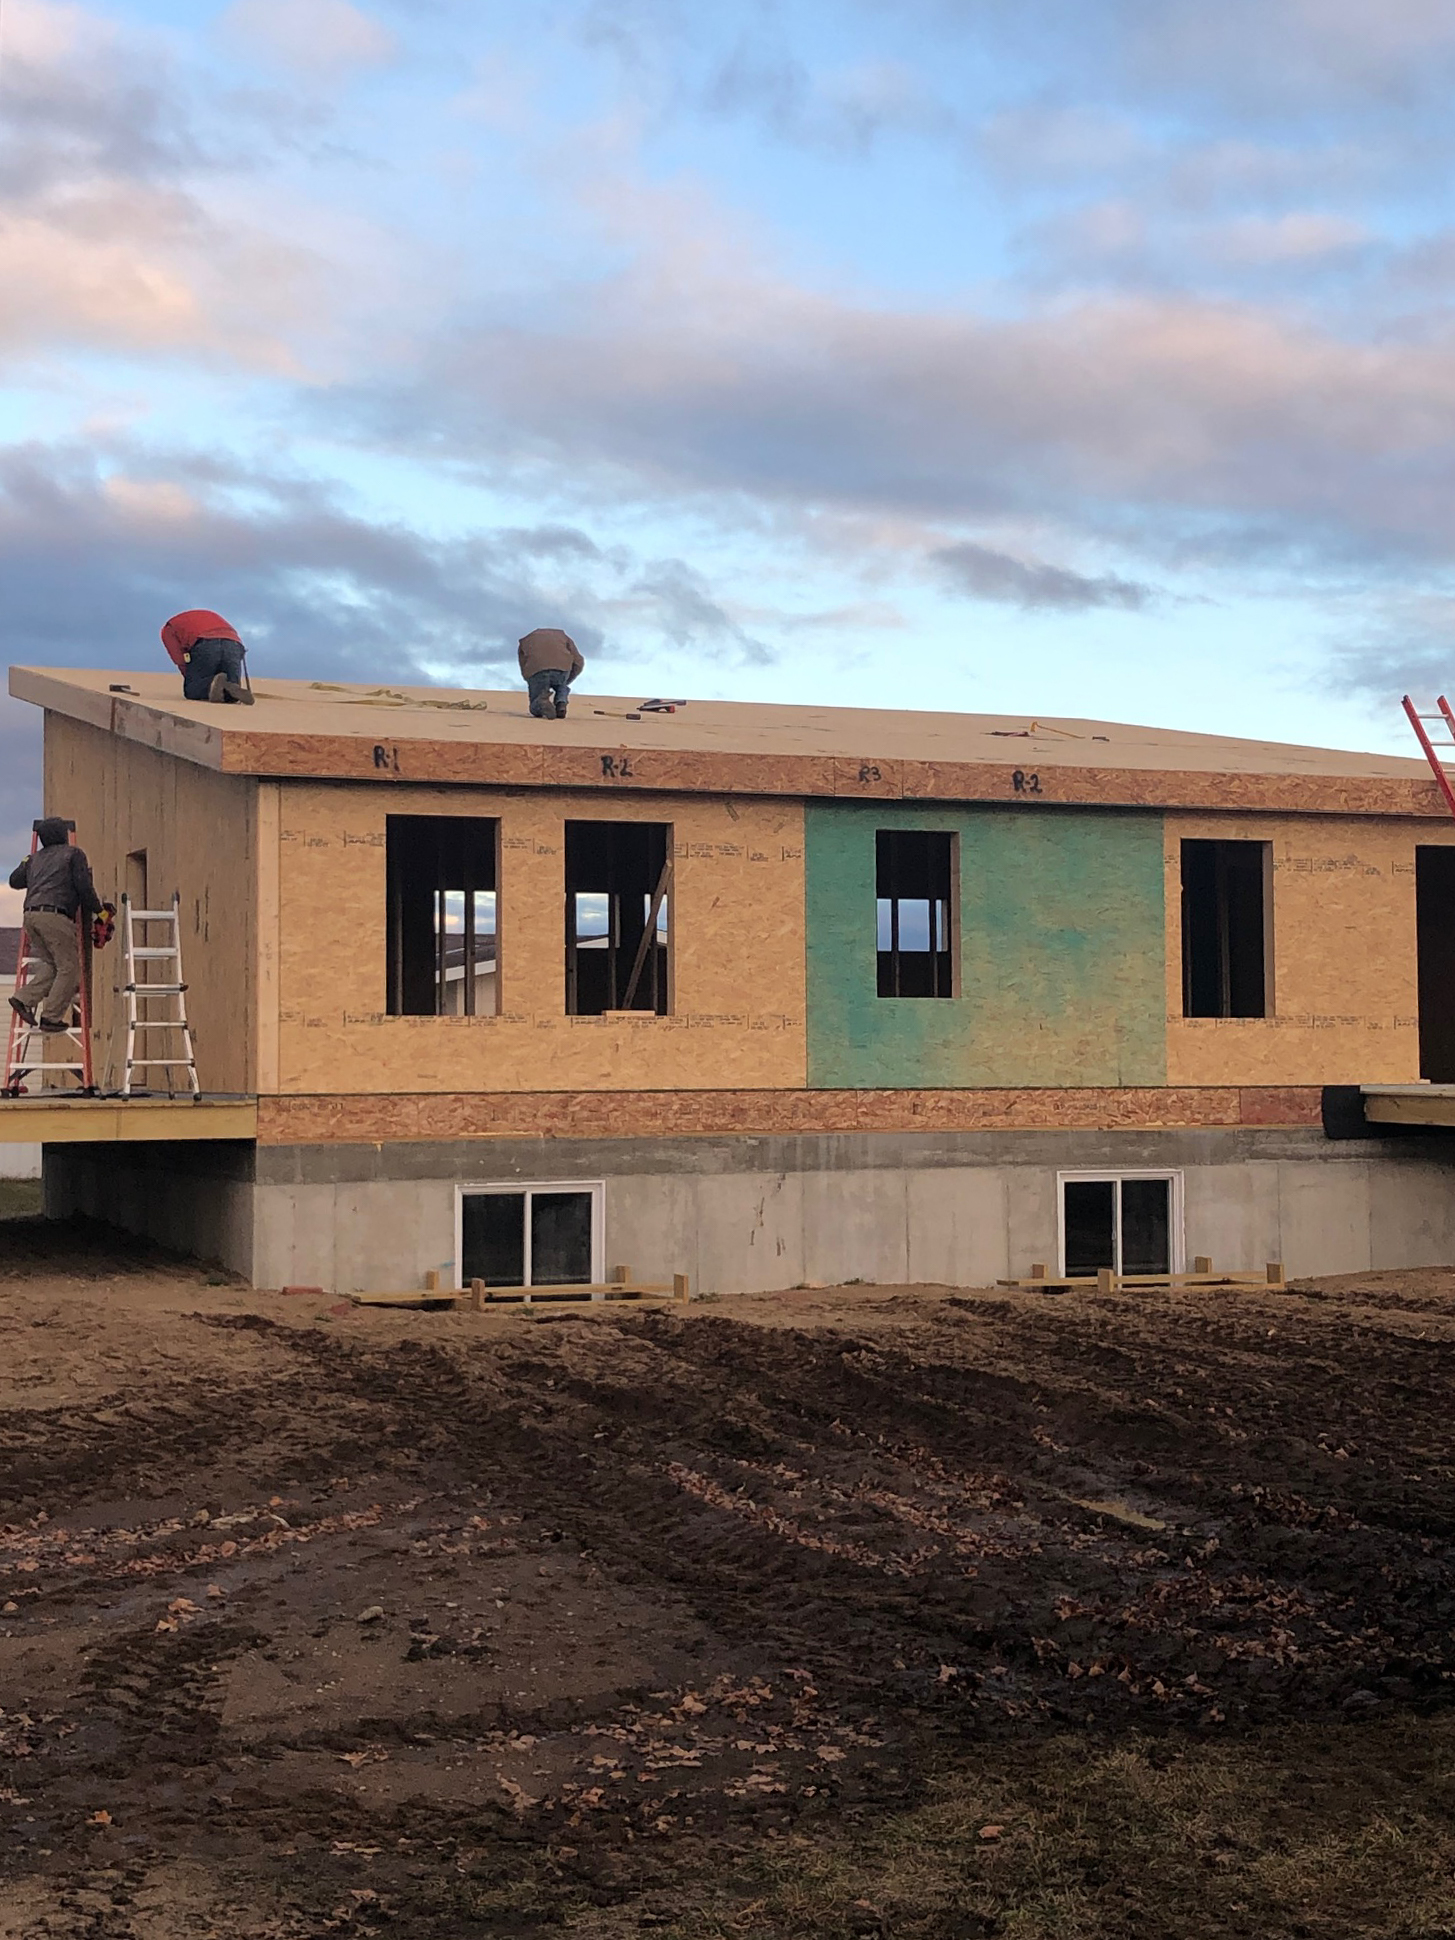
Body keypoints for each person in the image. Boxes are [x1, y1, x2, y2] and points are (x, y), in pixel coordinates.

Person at [8, 819, 102, 1034]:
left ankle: (23, 998)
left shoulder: (34, 859)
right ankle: (51, 1017)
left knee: (53, 965)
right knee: (69, 968)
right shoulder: (73, 854)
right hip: (55, 917)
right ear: (63, 835)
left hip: (31, 917)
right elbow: (84, 888)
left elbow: (14, 880)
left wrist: (26, 862)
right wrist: (100, 911)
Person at [161, 609, 255, 705]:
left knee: (192, 690)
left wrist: (191, 678)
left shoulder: (168, 628)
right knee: (231, 694)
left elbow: (179, 659)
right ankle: (230, 688)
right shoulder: (209, 615)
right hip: (234, 643)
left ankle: (214, 685)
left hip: (205, 642)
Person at [518, 626, 584, 719]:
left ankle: (542, 704)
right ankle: (561, 702)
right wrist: (568, 680)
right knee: (562, 686)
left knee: (535, 705)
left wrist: (530, 680)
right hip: (562, 667)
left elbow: (523, 665)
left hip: (537, 669)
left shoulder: (526, 640)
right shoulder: (564, 636)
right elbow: (578, 661)